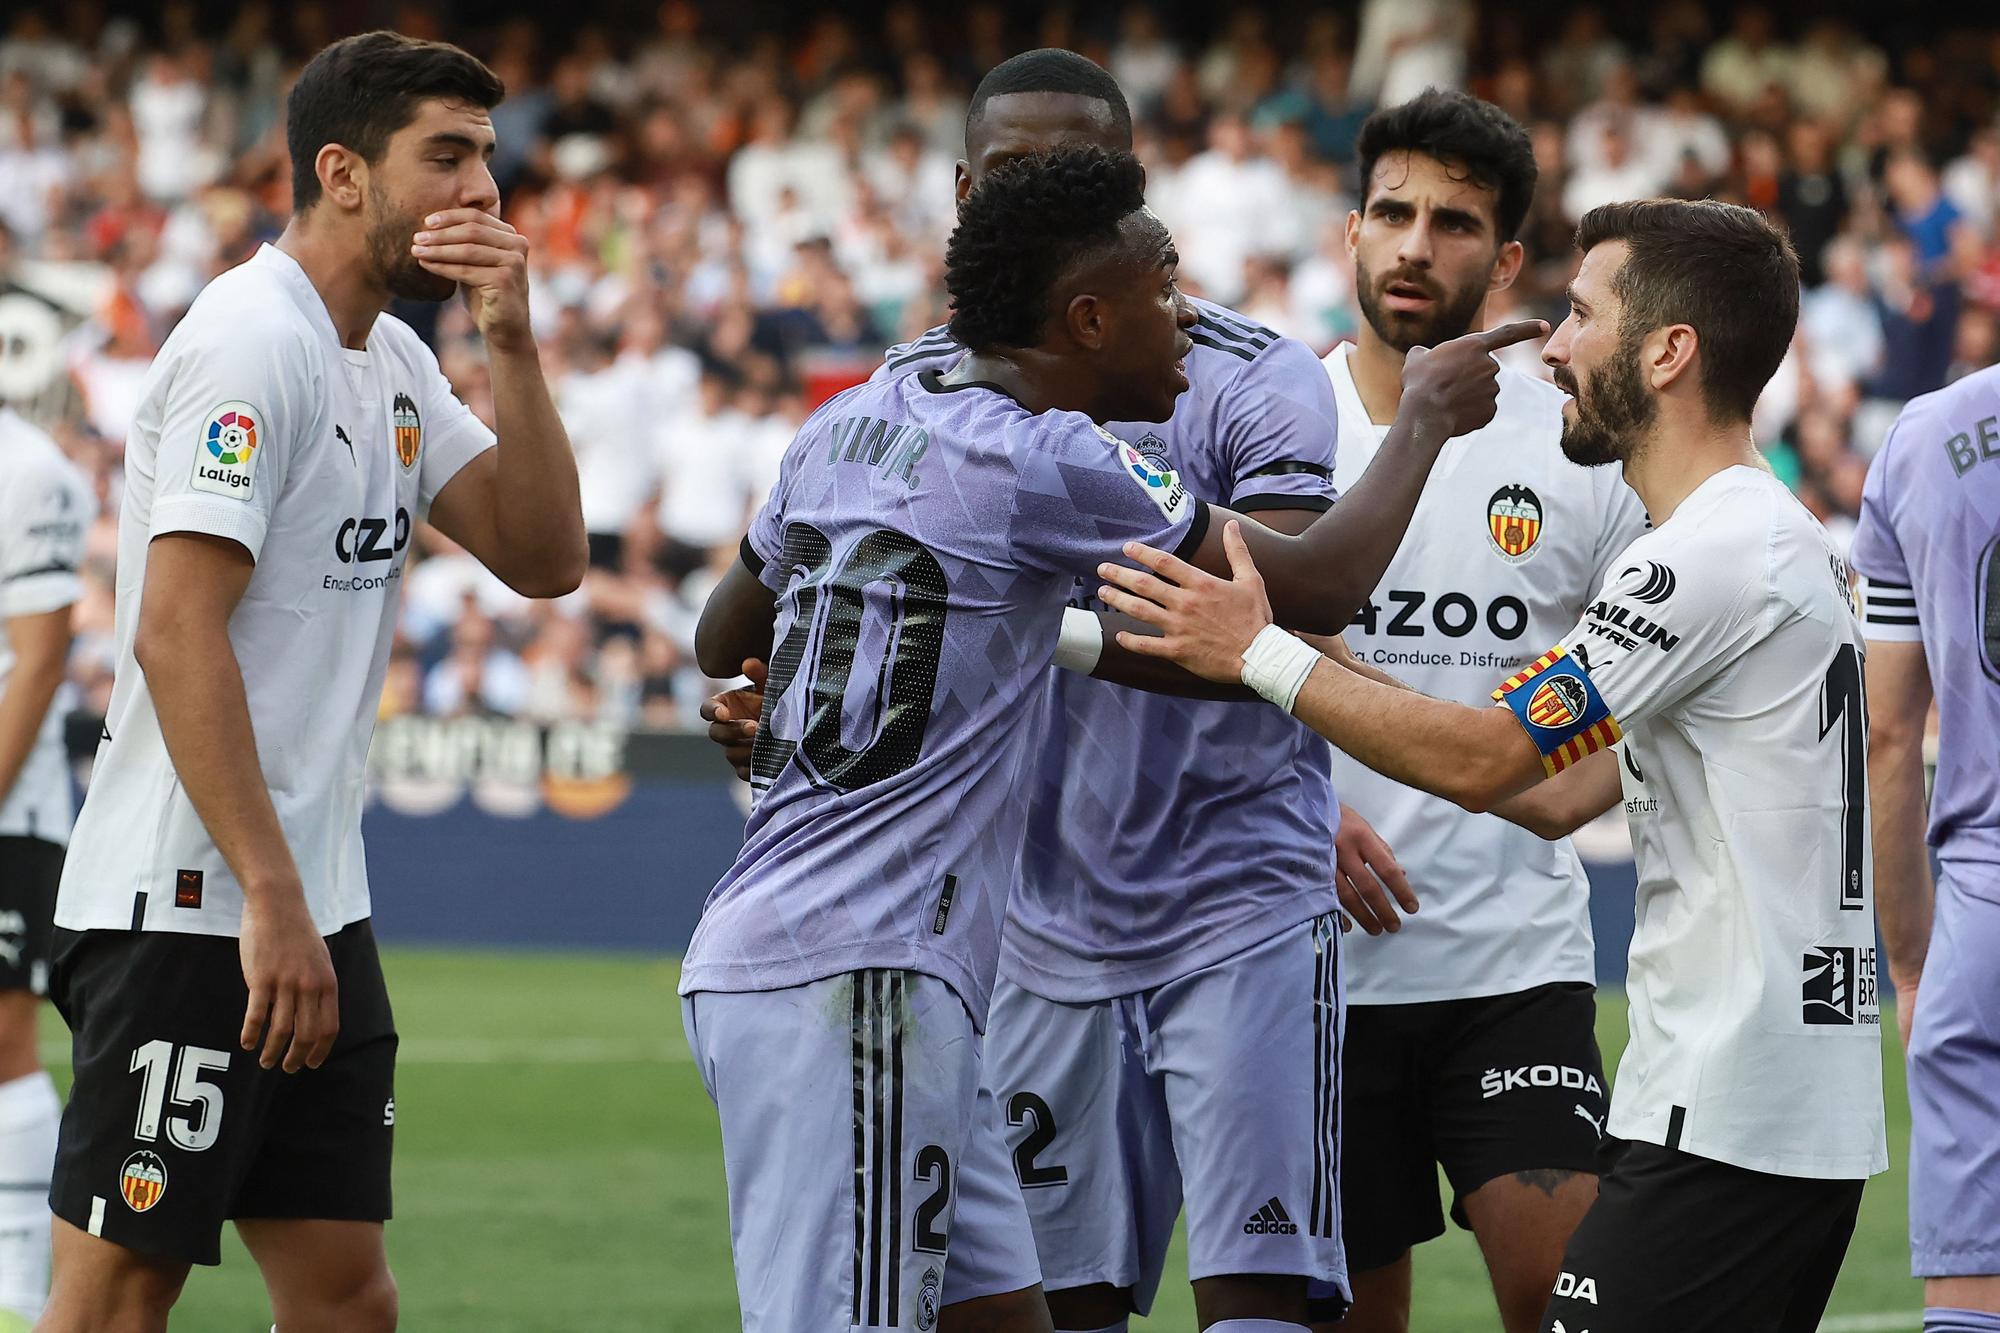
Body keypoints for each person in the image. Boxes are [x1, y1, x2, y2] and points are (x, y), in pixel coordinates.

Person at [703, 49, 1513, 1332]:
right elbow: (1289, 599)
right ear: (976, 199)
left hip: (1206, 898)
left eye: (1102, 181)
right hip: (961, 938)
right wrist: (1414, 426)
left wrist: (830, 676)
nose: (1071, 202)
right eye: (1030, 180)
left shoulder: (891, 405)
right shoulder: (1029, 440)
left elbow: (728, 626)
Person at [1094, 198, 1887, 1333]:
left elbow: (1486, 756)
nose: (1551, 348)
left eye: (1577, 315)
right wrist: (1315, 653)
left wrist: (1256, 653)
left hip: (1733, 1112)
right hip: (1757, 1105)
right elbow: (1553, 789)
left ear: (1667, 353)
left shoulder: (1712, 552)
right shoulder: (1760, 539)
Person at [39, 31, 585, 1332]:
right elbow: (178, 633)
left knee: (346, 1299)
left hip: (310, 907)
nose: (482, 192)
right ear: (342, 173)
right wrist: (268, 898)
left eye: (487, 162)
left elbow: (546, 555)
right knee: (118, 1296)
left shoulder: (388, 360)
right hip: (193, 904)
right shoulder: (248, 342)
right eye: (445, 157)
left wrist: (513, 343)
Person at [1315, 90, 1649, 1333]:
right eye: (1392, 213)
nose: (1414, 244)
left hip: (1515, 961)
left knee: (1565, 1308)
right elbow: (1196, 659)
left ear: (1507, 261)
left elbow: (1671, 646)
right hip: (1310, 968)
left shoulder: (1573, 440)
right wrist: (1299, 813)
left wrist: (1574, 759)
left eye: (1453, 222)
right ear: (1348, 230)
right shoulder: (1274, 422)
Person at [1853, 364, 2000, 1333]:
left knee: (1969, 1282)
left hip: (1982, 920)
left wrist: (1909, 963)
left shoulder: (1927, 433)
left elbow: (1888, 735)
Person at [0, 408, 92, 1329]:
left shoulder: (31, 472)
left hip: (9, 811)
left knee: (2, 1045)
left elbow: (37, 661)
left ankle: (20, 1295)